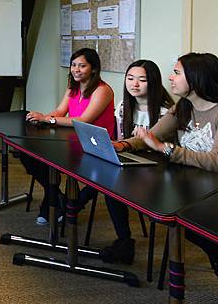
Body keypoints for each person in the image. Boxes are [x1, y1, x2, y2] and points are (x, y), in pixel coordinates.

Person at [116, 52, 218, 274]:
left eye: (176, 73)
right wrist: (123, 145)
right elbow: (150, 136)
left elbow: (215, 162)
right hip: (188, 185)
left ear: (196, 78)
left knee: (190, 224)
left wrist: (166, 149)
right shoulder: (182, 106)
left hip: (211, 192)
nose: (171, 78)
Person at [93, 60, 174, 264]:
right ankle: (124, 241)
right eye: (130, 78)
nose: (134, 84)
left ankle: (73, 206)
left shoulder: (165, 113)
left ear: (153, 83)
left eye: (142, 80)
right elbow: (121, 140)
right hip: (131, 164)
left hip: (156, 170)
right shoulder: (124, 106)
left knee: (109, 183)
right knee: (104, 177)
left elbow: (163, 149)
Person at [25, 48, 114, 225]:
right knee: (27, 154)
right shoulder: (72, 86)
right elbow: (60, 111)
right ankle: (57, 198)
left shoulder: (102, 90)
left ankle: (55, 202)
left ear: (93, 69)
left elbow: (84, 120)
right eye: (73, 65)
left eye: (82, 66)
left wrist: (47, 120)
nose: (76, 70)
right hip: (72, 140)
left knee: (47, 160)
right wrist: (42, 118)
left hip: (95, 146)